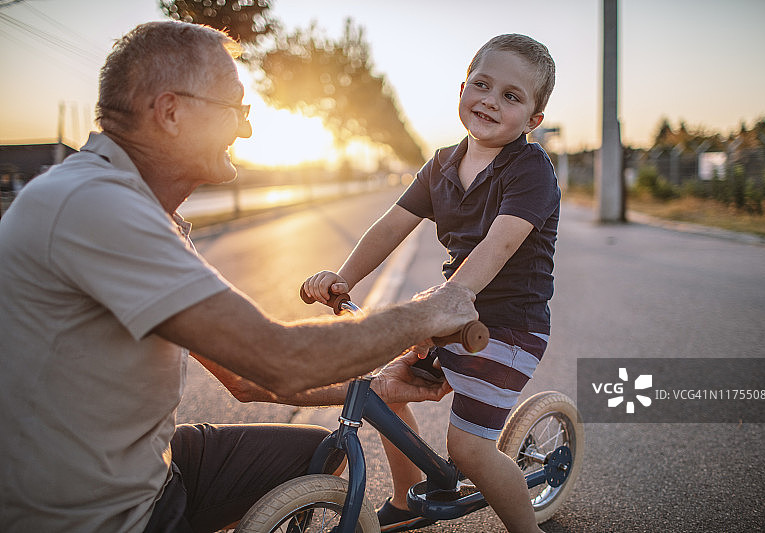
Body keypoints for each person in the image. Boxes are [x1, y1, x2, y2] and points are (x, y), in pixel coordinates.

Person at [0, 21, 478, 533]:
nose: (245, 129)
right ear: (171, 112)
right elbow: (278, 362)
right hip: (95, 514)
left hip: (145, 461)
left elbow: (245, 377)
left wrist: (376, 385)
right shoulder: (97, 208)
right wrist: (429, 311)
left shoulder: (139, 209)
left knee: (311, 452)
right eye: (235, 109)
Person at [303, 34, 559, 533]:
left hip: (506, 330)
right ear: (462, 88)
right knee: (385, 390)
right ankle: (404, 498)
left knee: (469, 448)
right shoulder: (441, 163)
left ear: (533, 120)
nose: (490, 99)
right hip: (451, 317)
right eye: (482, 85)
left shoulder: (531, 170)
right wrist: (344, 277)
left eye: (512, 95)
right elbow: (392, 225)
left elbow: (499, 245)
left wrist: (449, 301)